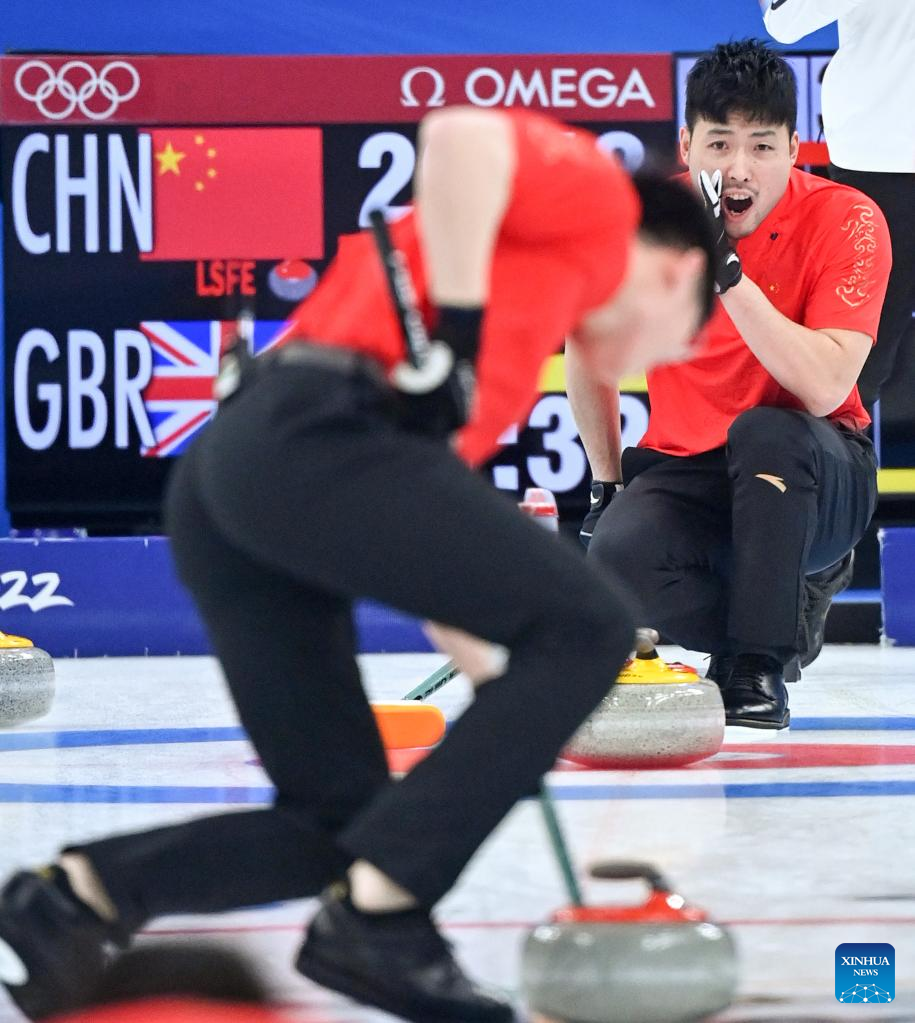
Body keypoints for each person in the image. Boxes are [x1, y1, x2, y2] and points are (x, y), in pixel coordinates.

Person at [0, 107, 716, 1023]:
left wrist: (517, 688)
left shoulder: (507, 348)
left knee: (338, 823)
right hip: (310, 435)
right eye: (680, 340)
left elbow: (440, 550)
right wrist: (454, 326)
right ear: (677, 271)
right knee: (594, 622)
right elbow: (459, 138)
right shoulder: (599, 208)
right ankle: (382, 925)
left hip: (244, 476)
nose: (662, 363)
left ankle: (74, 898)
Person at [572, 40, 891, 729]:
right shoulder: (644, 223)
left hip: (816, 468)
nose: (737, 169)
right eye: (718, 144)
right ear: (685, 144)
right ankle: (777, 613)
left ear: (792, 147)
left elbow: (821, 386)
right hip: (690, 467)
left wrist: (727, 274)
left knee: (766, 430)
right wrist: (605, 484)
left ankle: (756, 666)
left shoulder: (849, 218)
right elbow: (587, 345)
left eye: (760, 146)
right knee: (617, 559)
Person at [763, 0, 915, 407]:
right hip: (881, 153)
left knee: (859, 349)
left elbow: (785, 20)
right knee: (857, 349)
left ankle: (829, 461)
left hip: (881, 152)